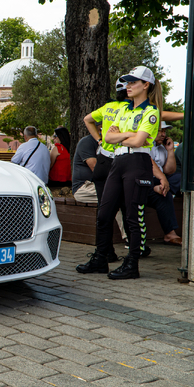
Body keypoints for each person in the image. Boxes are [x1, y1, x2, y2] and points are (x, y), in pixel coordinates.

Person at [77, 66, 165, 280]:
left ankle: (132, 264)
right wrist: (129, 135)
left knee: (132, 217)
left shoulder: (151, 112)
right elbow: (108, 137)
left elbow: (136, 142)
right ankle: (100, 258)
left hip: (137, 162)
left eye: (133, 82)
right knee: (104, 213)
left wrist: (123, 136)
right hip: (118, 161)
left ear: (146, 85)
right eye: (127, 82)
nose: (128, 86)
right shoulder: (123, 109)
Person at [148, 121, 182, 246]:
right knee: (165, 195)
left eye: (164, 131)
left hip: (161, 180)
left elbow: (169, 170)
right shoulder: (145, 145)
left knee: (180, 177)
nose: (163, 134)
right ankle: (170, 234)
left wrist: (170, 150)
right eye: (160, 131)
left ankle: (162, 188)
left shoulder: (162, 148)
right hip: (146, 180)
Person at [72, 134, 99, 203]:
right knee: (117, 193)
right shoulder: (87, 142)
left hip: (98, 185)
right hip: (84, 187)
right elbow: (96, 170)